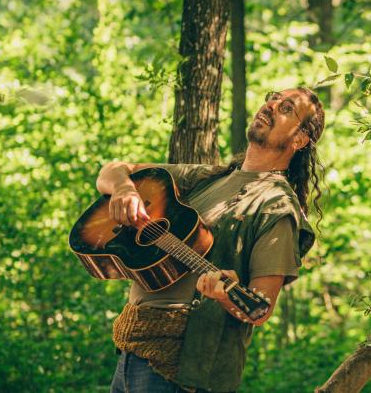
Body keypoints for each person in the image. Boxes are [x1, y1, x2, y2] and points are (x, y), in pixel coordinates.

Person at [96, 87, 326, 393]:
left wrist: (224, 294)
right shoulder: (211, 177)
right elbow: (112, 171)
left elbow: (261, 307)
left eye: (286, 108)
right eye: (272, 97)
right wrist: (125, 188)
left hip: (181, 370)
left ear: (299, 139)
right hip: (132, 351)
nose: (270, 105)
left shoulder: (276, 207)